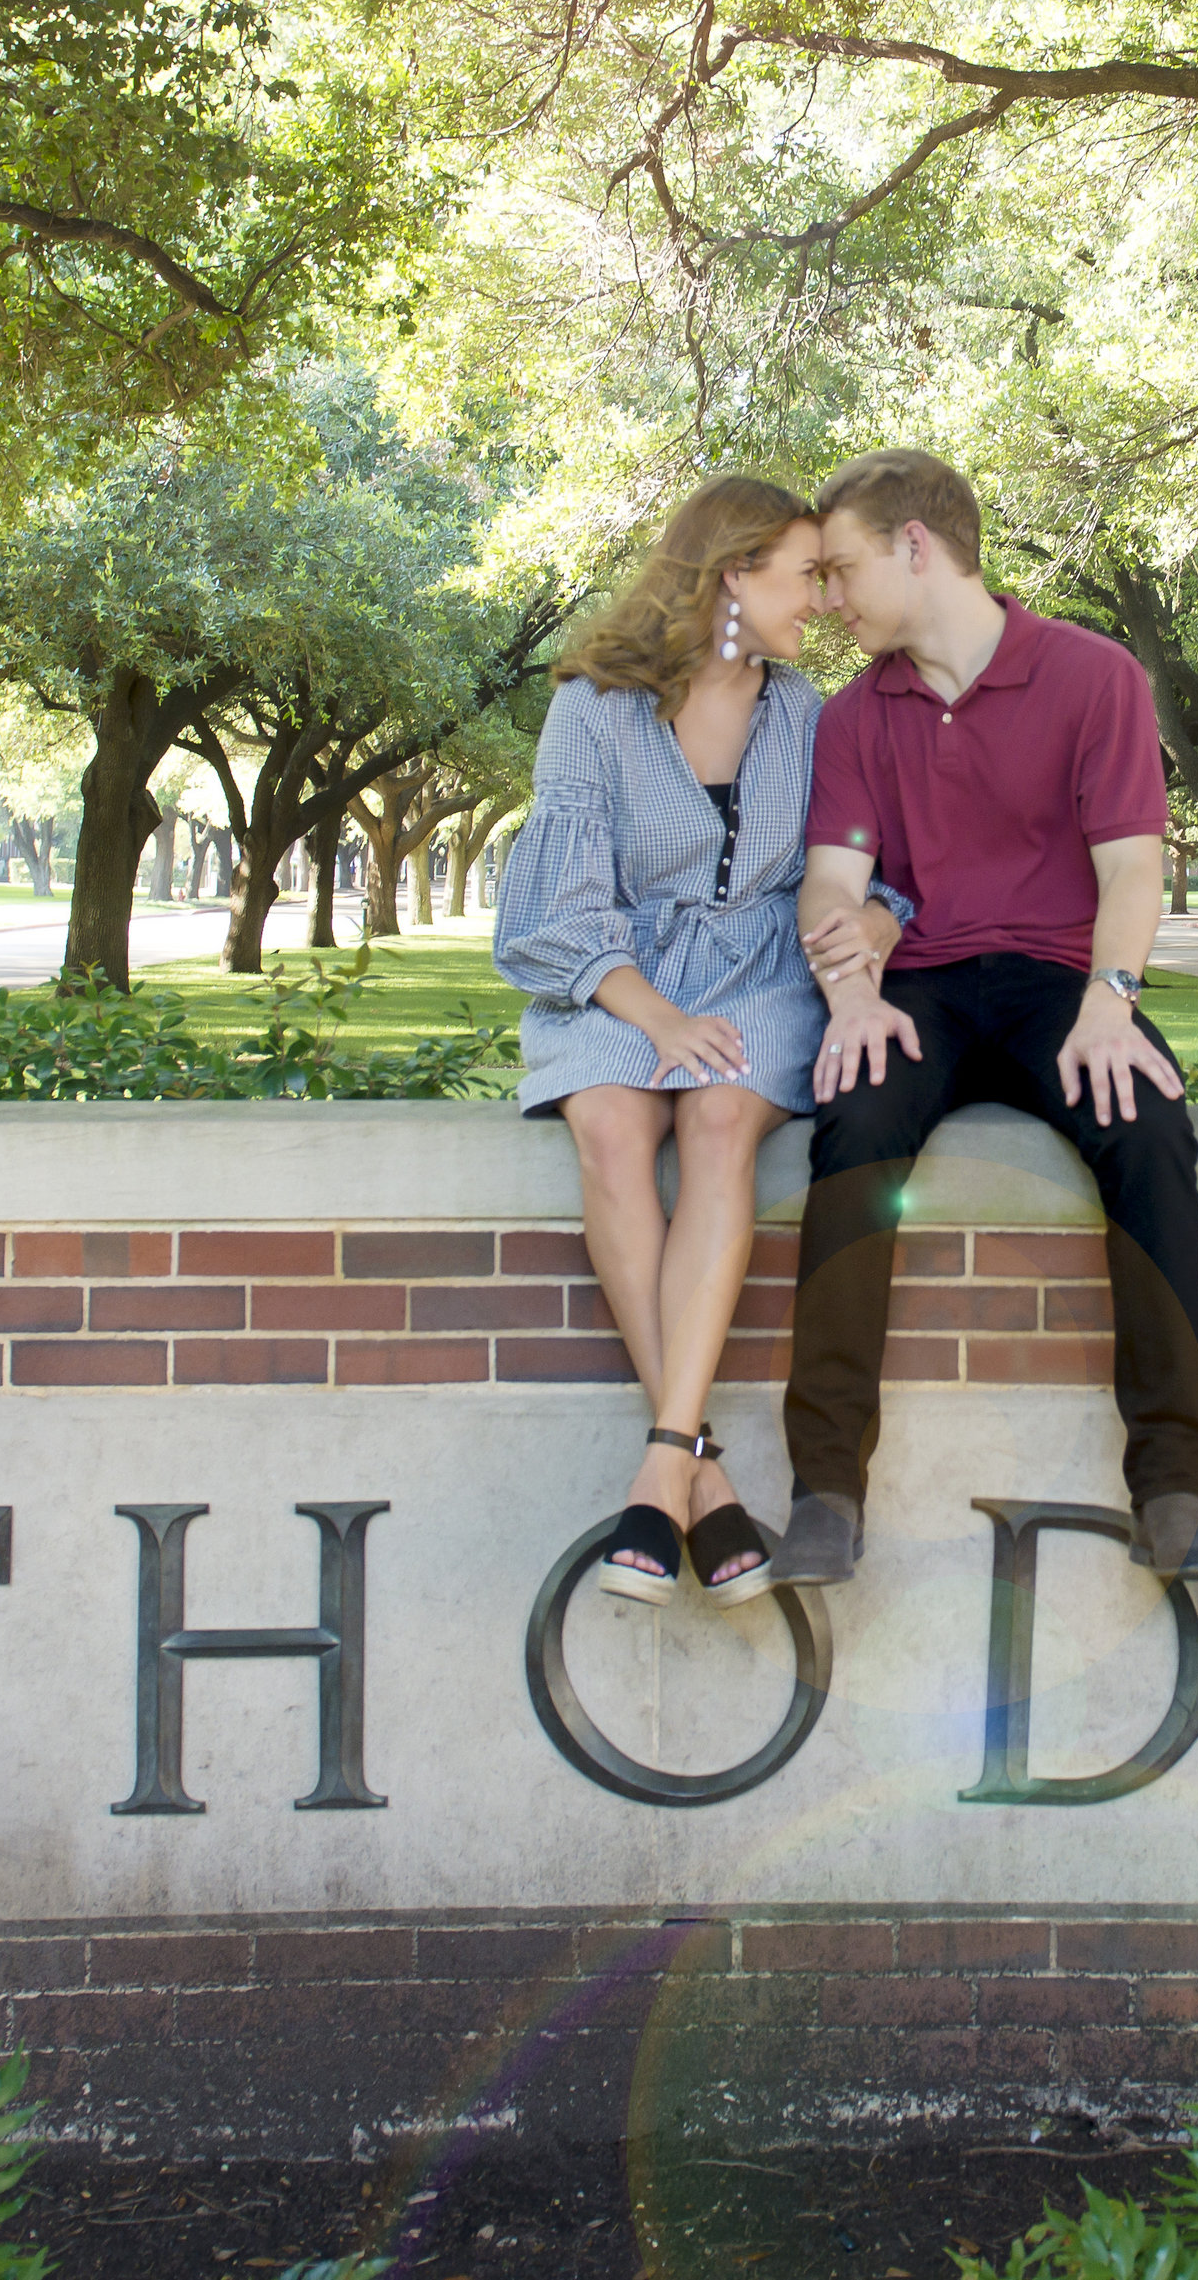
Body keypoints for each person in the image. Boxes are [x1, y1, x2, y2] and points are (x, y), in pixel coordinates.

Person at [776, 449, 1198, 1589]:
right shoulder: (855, 715)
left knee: (1149, 1128)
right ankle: (824, 1490)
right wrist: (851, 998)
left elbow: (1132, 869)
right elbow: (833, 885)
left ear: (915, 546)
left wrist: (1109, 1005)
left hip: (1059, 987)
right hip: (919, 985)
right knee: (853, 1116)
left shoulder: (1093, 675)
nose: (828, 598)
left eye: (840, 569)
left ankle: (1173, 1487)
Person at [494, 476, 906, 1608]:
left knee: (720, 1120)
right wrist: (659, 1017)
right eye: (804, 574)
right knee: (613, 1122)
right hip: (616, 979)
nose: (821, 599)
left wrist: (872, 922)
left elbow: (880, 870)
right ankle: (704, 1473)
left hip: (763, 976)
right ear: (735, 574)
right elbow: (560, 910)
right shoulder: (593, 707)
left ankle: (661, 1459)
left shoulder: (813, 716)